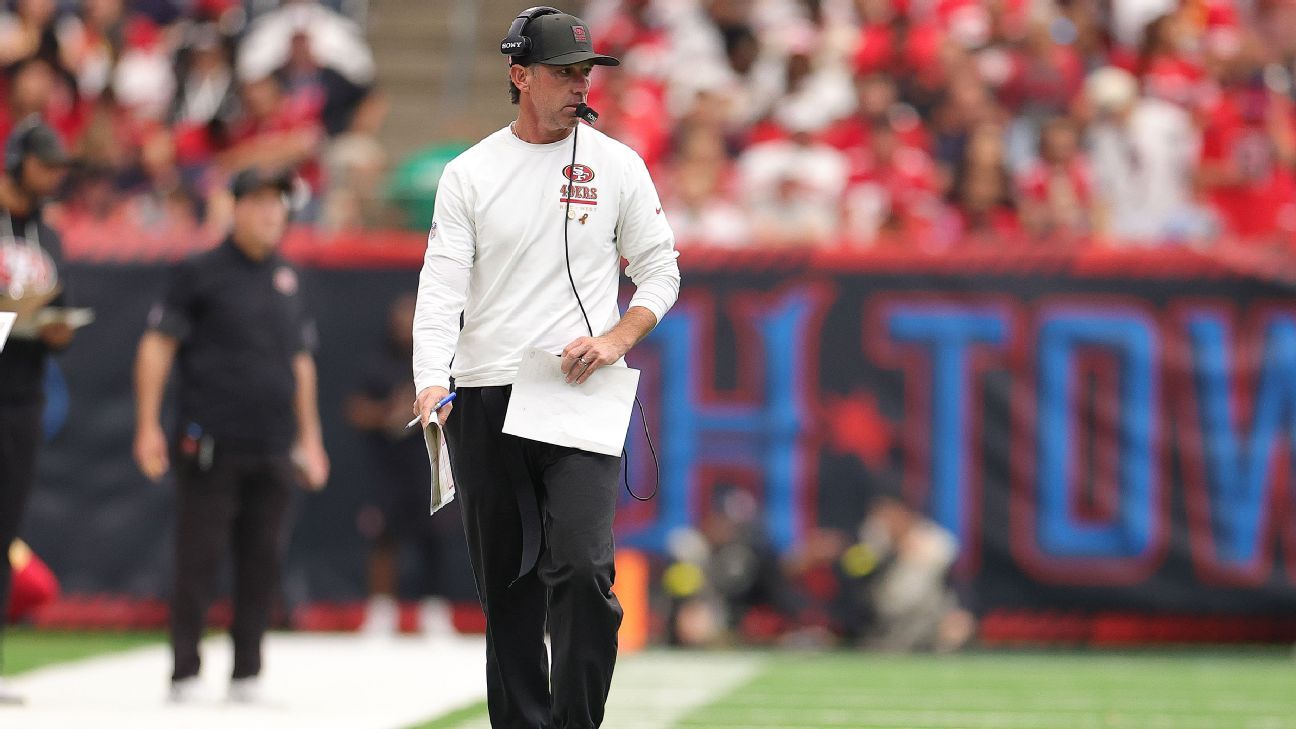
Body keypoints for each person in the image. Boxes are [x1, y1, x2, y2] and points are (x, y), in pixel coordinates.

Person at [411, 7, 680, 728]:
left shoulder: (617, 165)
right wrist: (431, 378)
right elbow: (441, 285)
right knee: (509, 591)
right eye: (563, 72)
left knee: (585, 570)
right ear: (520, 75)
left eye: (584, 72)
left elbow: (660, 270)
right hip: (487, 391)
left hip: (576, 390)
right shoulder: (470, 172)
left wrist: (618, 336)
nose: (579, 86)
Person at [132, 166, 329, 704]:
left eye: (278, 203)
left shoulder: (289, 277)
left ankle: (247, 672)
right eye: (260, 201)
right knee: (198, 558)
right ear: (236, 207)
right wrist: (148, 426)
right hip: (210, 441)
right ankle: (185, 671)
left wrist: (310, 438)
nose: (271, 213)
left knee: (263, 560)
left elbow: (301, 361)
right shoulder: (199, 272)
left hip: (273, 442)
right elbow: (157, 345)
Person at [346, 293, 470, 636]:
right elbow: (355, 410)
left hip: (428, 466)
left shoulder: (438, 366)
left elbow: (457, 406)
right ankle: (381, 612)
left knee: (435, 538)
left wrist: (428, 413)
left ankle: (434, 612)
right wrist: (390, 413)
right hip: (387, 471)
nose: (405, 326)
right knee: (383, 537)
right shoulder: (376, 363)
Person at [0, 115, 71, 705]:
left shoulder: (48, 235)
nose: (52, 177)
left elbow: (62, 306)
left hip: (22, 396)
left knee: (5, 530)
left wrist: (53, 329)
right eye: (44, 164)